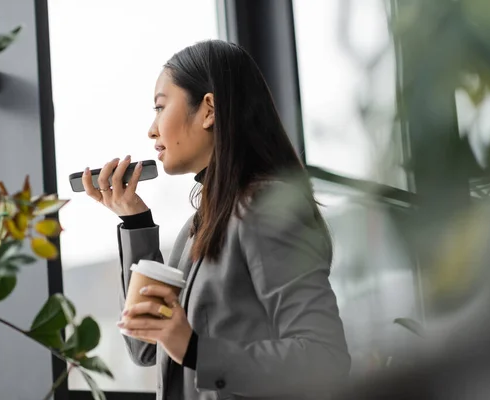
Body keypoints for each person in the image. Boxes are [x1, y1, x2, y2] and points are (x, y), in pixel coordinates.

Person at [82, 40, 351, 400]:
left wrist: (195, 349)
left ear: (208, 110)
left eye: (161, 107)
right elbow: (145, 348)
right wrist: (135, 223)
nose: (152, 129)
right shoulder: (198, 227)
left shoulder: (267, 207)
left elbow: (324, 359)